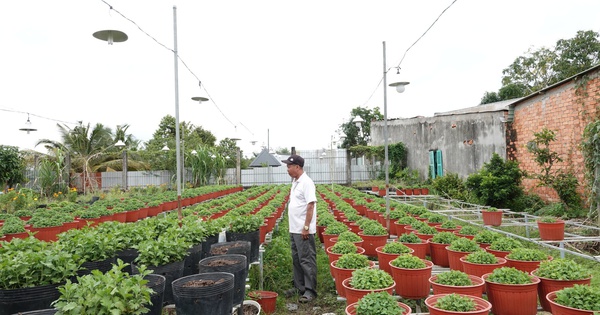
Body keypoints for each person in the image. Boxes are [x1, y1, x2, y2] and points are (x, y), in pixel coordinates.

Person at [281, 154, 318, 303]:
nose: (287, 169)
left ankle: (310, 290)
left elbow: (310, 205)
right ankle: (299, 287)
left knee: (306, 260)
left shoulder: (307, 183)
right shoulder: (296, 182)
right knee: (297, 259)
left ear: (297, 167)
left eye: (289, 167)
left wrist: (306, 227)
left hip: (303, 230)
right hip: (294, 229)